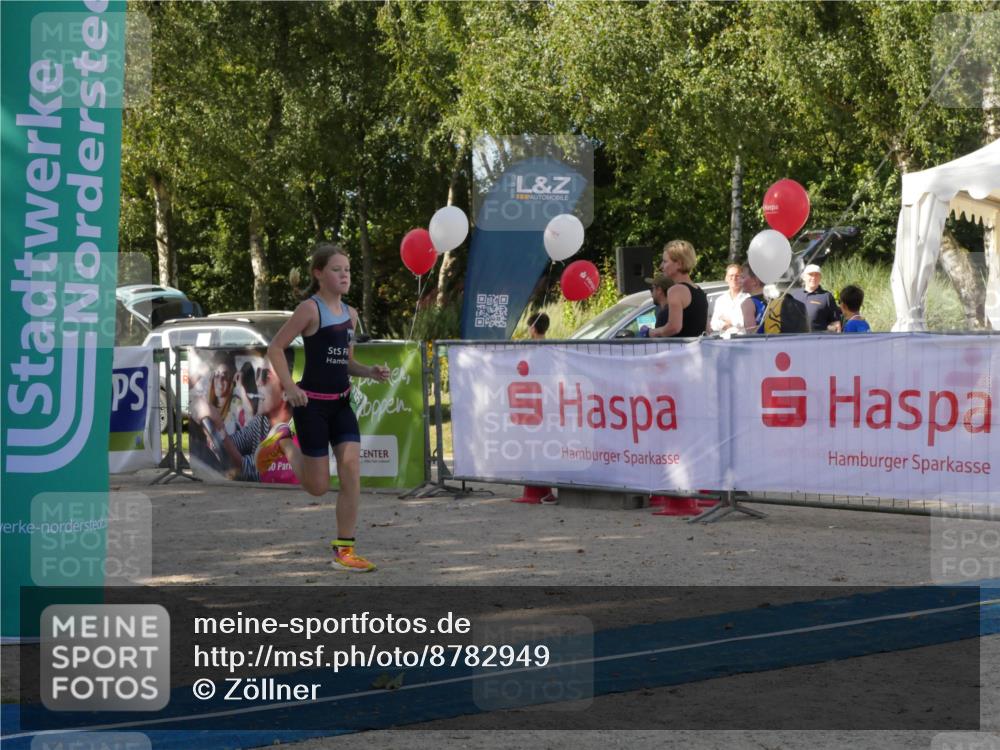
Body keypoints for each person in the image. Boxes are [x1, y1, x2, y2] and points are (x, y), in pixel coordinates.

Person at [260, 243, 390, 572]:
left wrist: (369, 372)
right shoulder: (309, 310)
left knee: (351, 472)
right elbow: (275, 348)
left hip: (342, 405)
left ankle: (345, 552)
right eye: (336, 269)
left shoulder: (352, 314)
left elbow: (346, 362)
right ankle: (283, 441)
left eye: (347, 269)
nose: (344, 275)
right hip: (312, 406)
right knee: (318, 487)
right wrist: (290, 387)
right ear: (318, 274)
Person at [513, 311, 557, 505]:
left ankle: (538, 489)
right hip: (544, 400)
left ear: (532, 328)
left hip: (535, 402)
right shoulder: (550, 349)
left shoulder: (533, 351)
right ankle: (542, 488)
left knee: (534, 443)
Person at [647, 240, 708, 338]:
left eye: (665, 261)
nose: (661, 266)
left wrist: (650, 332)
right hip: (696, 346)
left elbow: (674, 327)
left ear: (679, 264)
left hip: (679, 347)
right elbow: (707, 328)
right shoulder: (699, 291)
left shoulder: (676, 290)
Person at [790, 264, 841, 332]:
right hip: (797, 337)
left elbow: (836, 324)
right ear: (804, 277)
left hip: (818, 337)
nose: (814, 277)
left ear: (820, 277)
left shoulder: (827, 296)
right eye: (810, 274)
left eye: (817, 275)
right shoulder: (795, 295)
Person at [709, 263, 749, 336]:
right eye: (731, 275)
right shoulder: (720, 300)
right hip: (724, 340)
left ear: (742, 278)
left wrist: (729, 321)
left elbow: (747, 323)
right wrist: (727, 324)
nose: (734, 278)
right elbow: (713, 324)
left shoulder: (748, 298)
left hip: (743, 339)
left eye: (737, 276)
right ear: (726, 278)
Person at [739, 264, 767, 333]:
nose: (739, 281)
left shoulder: (748, 303)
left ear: (755, 280)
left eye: (743, 277)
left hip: (764, 340)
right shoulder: (775, 298)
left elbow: (751, 334)